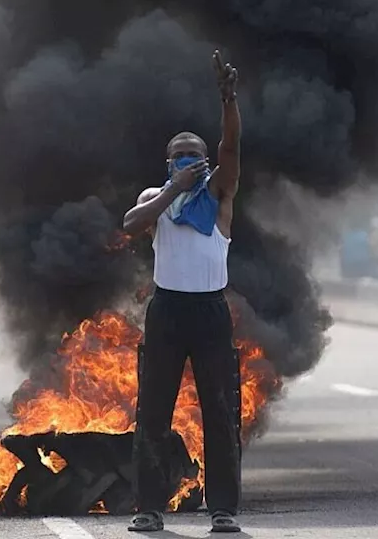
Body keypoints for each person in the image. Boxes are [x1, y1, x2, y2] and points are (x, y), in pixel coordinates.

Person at [122, 51, 241, 534]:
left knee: (220, 411)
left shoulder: (220, 196)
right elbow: (130, 225)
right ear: (168, 162)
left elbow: (233, 145)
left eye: (194, 152)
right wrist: (173, 188)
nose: (187, 158)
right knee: (154, 410)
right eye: (178, 154)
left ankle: (223, 511)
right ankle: (149, 508)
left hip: (210, 312)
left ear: (206, 160)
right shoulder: (156, 199)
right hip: (167, 311)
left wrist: (228, 99)